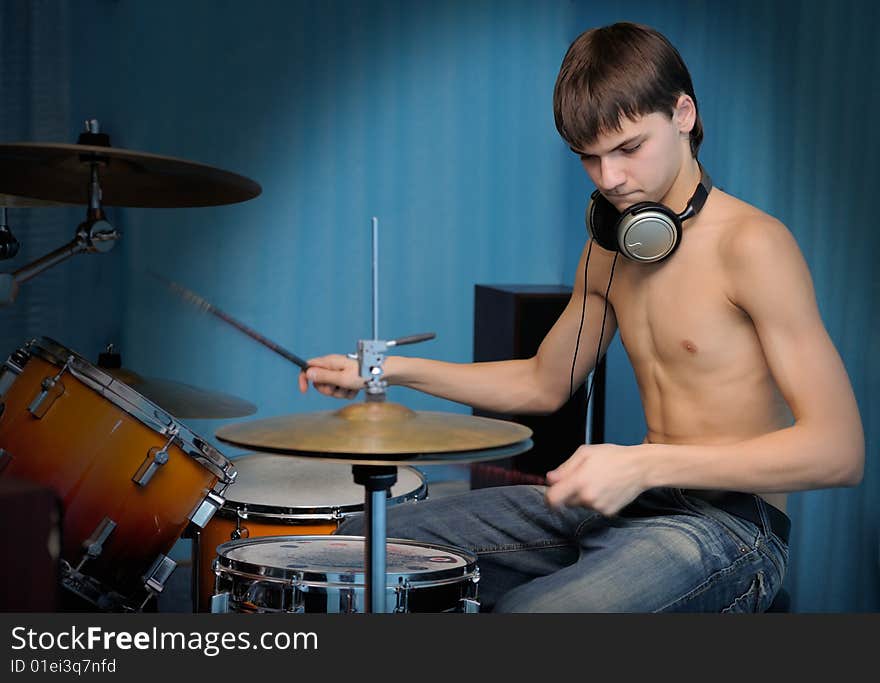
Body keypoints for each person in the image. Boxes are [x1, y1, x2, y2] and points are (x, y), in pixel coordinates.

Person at [297, 22, 864, 612]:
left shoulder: (753, 245)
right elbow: (544, 382)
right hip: (632, 499)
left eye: (628, 149)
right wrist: (387, 369)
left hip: (733, 528)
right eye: (589, 159)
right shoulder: (610, 245)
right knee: (356, 550)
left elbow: (839, 450)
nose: (610, 179)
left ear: (684, 114)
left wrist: (643, 463)